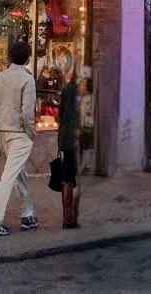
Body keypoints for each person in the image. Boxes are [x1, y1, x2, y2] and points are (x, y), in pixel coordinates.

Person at [0, 40, 37, 236]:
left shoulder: (0, 77)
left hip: (3, 131)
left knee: (17, 173)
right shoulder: (27, 79)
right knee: (9, 176)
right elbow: (27, 113)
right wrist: (31, 132)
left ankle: (28, 213)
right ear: (28, 58)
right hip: (19, 133)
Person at [56, 71, 82, 229]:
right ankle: (71, 218)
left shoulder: (68, 90)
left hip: (66, 138)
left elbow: (61, 114)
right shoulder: (78, 92)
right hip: (75, 139)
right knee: (74, 178)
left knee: (67, 176)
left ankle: (68, 218)